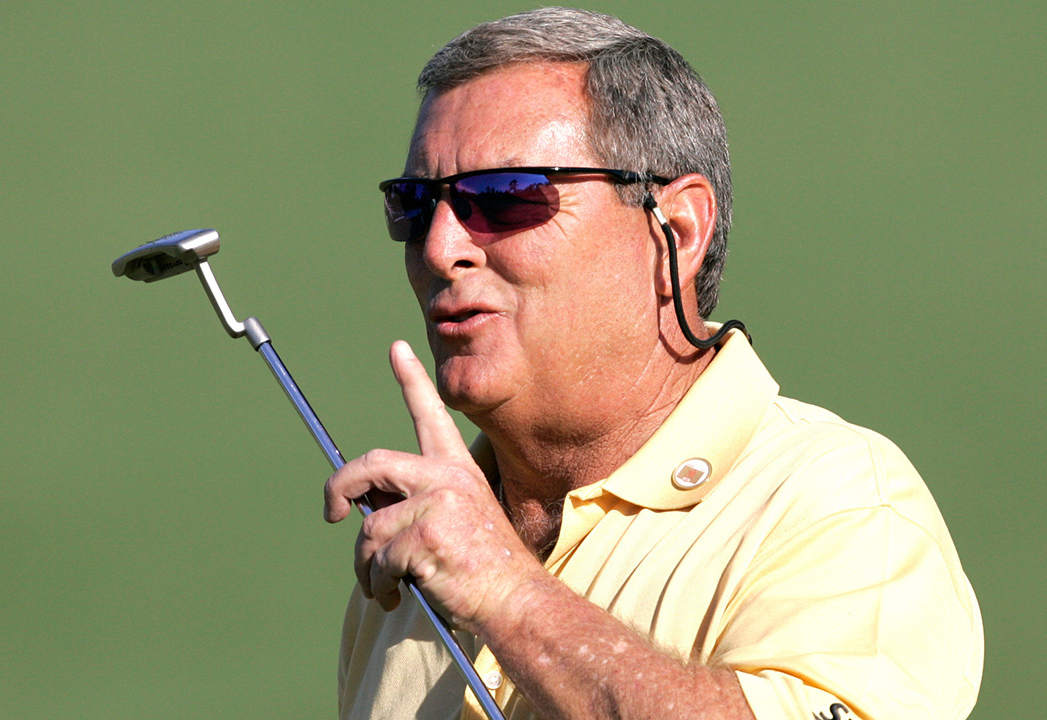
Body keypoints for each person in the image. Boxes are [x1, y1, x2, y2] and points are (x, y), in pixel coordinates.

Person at [323, 8, 982, 720]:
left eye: (504, 196)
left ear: (679, 228)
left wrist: (508, 593)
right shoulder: (426, 548)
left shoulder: (842, 507)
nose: (438, 247)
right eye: (415, 205)